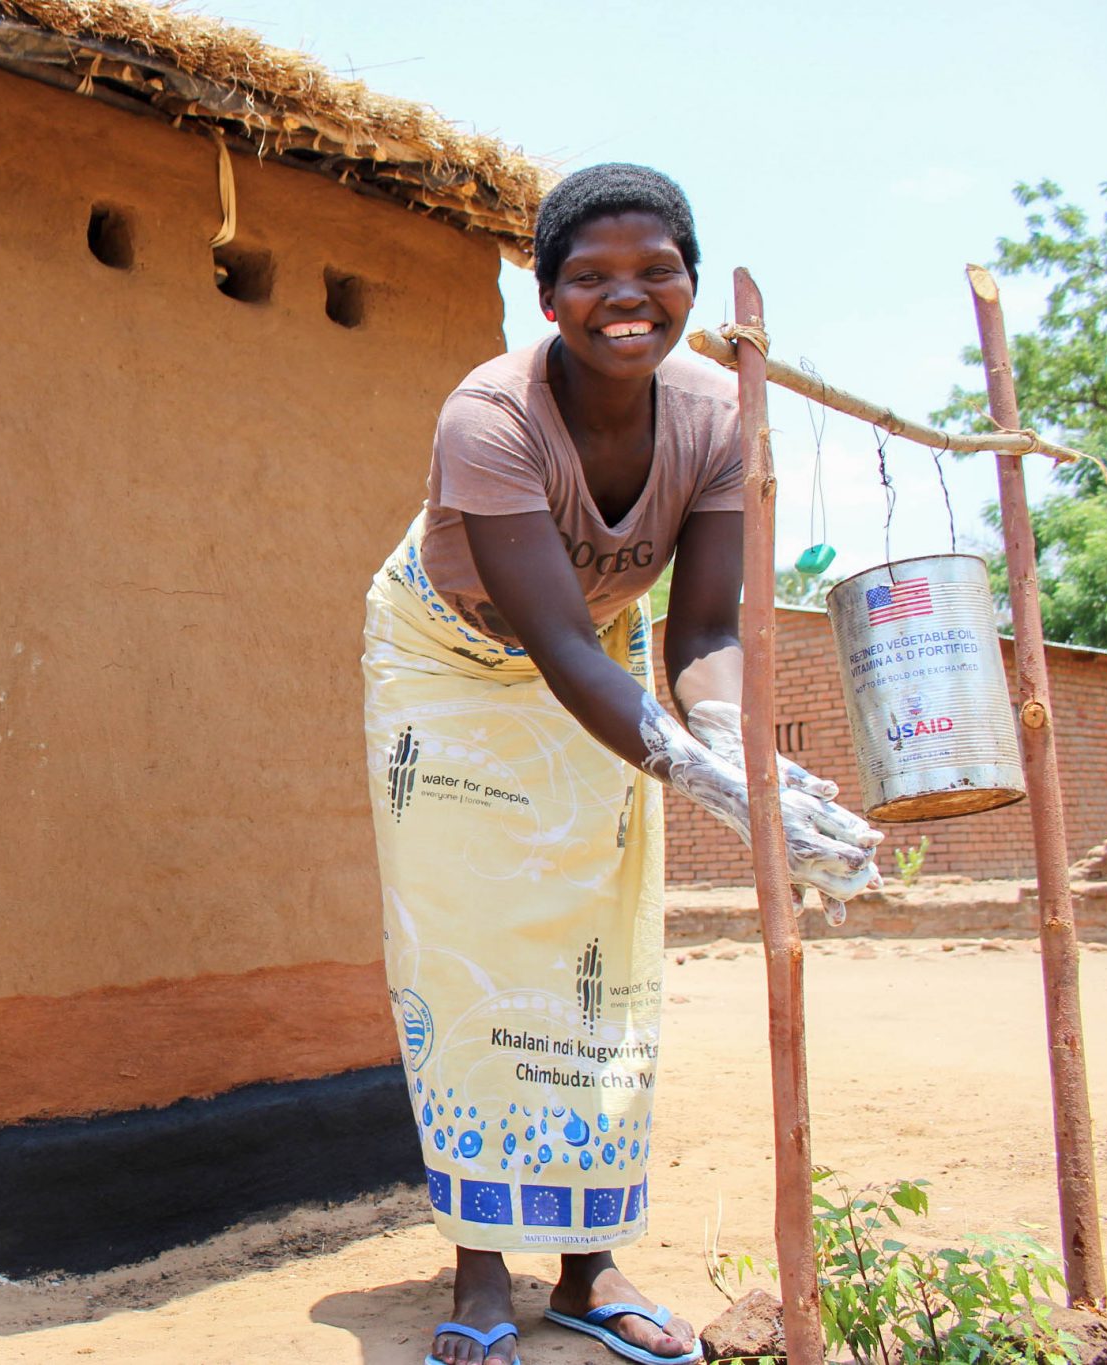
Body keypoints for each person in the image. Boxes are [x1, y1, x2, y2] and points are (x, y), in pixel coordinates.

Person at [361, 163, 883, 1365]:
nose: (626, 297)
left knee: (602, 952)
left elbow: (700, 636)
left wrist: (736, 753)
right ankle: (480, 1266)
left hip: (603, 656)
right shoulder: (486, 418)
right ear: (545, 299)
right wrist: (704, 780)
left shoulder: (712, 416)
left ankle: (589, 1268)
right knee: (466, 949)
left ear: (689, 284)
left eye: (656, 271)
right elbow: (545, 641)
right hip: (445, 668)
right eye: (589, 276)